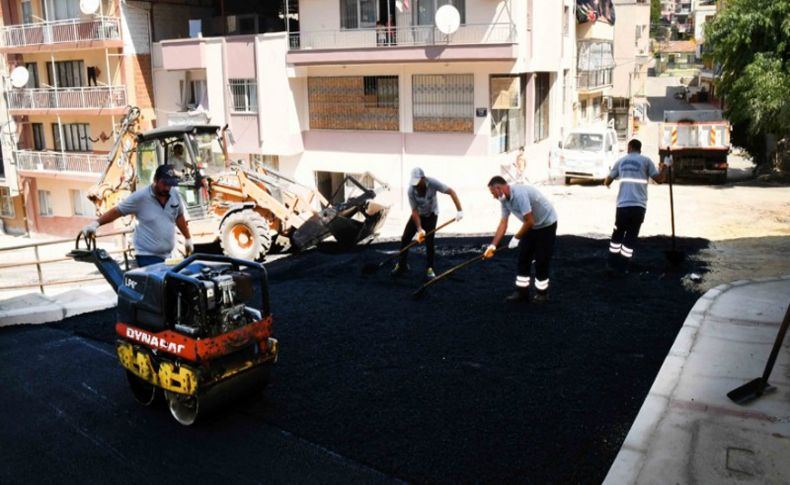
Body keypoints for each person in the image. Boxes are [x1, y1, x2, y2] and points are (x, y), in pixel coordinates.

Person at [82, 164, 193, 267]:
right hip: (147, 255)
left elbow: (179, 216)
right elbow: (117, 211)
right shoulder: (140, 198)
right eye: (164, 184)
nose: (167, 188)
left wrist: (187, 238)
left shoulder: (174, 194)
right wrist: (96, 223)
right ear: (155, 180)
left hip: (167, 255)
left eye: (170, 184)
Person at [482, 176, 558, 303]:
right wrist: (493, 245)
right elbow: (503, 223)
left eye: (493, 193)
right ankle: (522, 293)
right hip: (531, 226)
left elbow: (530, 221)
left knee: (541, 259)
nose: (493, 196)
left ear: (498, 188)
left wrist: (516, 237)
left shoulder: (520, 194)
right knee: (524, 257)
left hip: (546, 224)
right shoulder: (504, 200)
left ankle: (542, 294)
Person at [604, 139, 668, 274]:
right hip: (638, 207)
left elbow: (607, 180)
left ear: (630, 147)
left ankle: (611, 263)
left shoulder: (621, 161)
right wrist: (666, 166)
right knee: (631, 236)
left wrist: (608, 182)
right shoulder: (646, 161)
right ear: (640, 149)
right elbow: (660, 180)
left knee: (618, 234)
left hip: (622, 206)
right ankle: (623, 266)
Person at [392, 167, 463, 279]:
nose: (415, 185)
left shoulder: (433, 183)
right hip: (418, 215)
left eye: (417, 182)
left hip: (431, 215)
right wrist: (420, 229)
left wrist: (459, 210)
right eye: (414, 183)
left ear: (423, 178)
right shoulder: (411, 190)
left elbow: (451, 192)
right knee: (405, 238)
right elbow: (414, 211)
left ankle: (430, 268)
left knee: (429, 242)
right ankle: (402, 265)